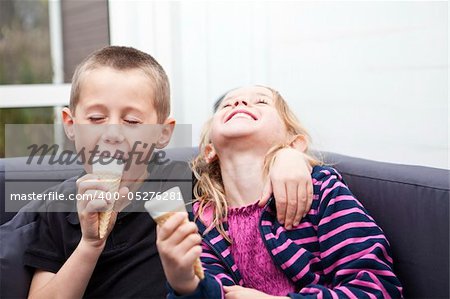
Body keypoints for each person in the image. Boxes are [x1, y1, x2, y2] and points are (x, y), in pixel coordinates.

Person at [23, 47, 313, 298]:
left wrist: (289, 157)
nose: (112, 132)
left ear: (163, 133)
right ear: (70, 124)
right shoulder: (58, 204)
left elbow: (245, 164)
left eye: (132, 121)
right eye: (96, 118)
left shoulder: (187, 182)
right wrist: (90, 244)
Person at [157, 85, 403, 298]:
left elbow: (378, 289)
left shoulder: (322, 190)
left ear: (294, 142)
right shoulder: (206, 220)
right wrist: (184, 282)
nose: (239, 102)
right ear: (209, 151)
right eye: (227, 104)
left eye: (261, 101)